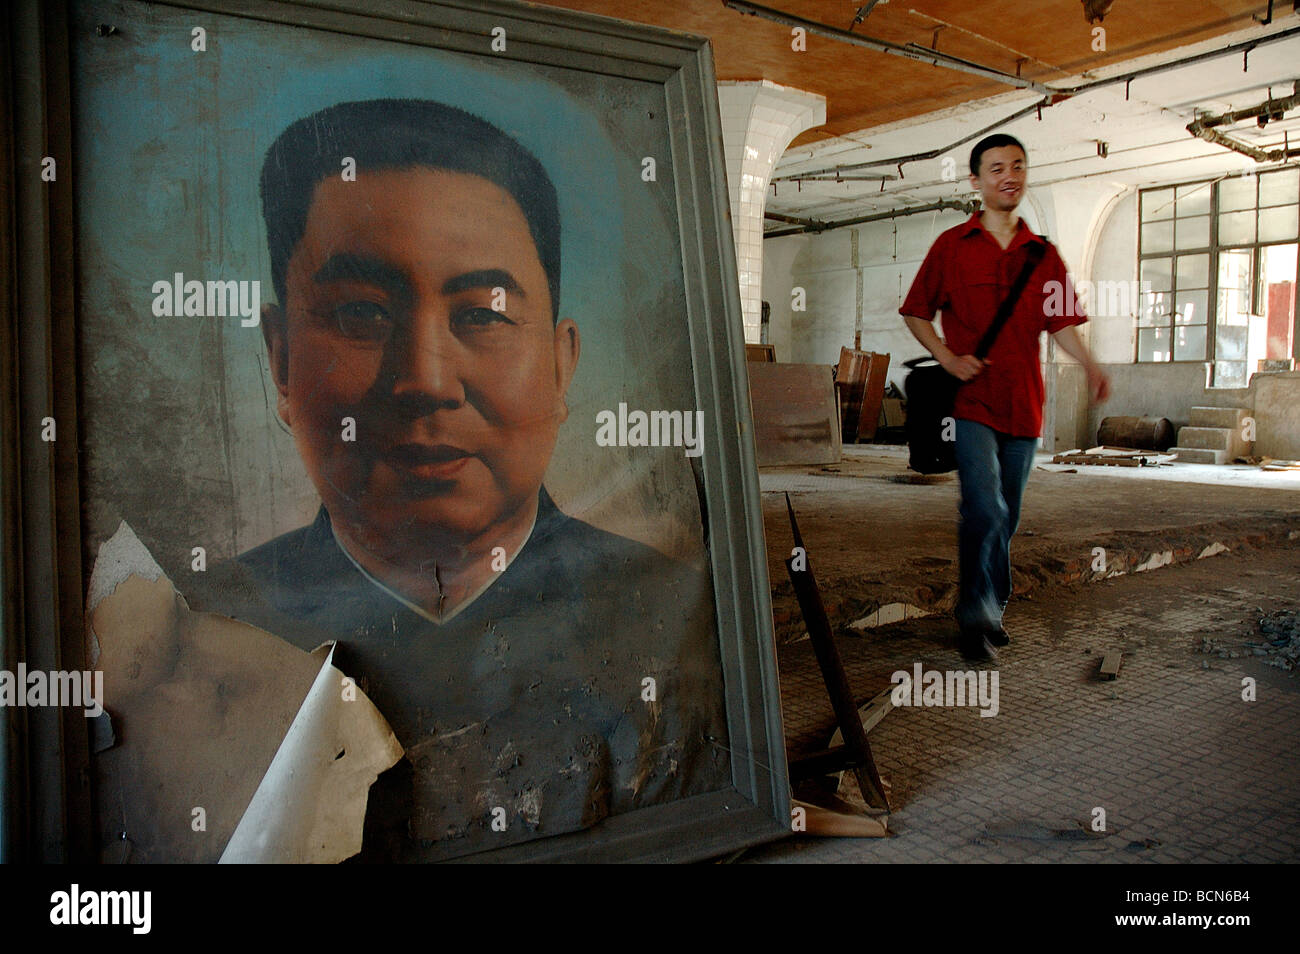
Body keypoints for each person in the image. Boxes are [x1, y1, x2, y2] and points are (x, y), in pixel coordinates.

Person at [196, 99, 729, 860]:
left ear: (559, 362)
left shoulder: (665, 610)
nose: (425, 380)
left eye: (483, 314)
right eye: (360, 313)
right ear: (281, 360)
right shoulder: (205, 636)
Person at [901, 133, 1110, 661]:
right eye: (996, 168)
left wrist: (1089, 366)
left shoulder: (1044, 256)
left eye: (1017, 166)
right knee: (984, 508)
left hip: (1025, 405)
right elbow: (915, 311)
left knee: (1007, 515)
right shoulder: (952, 246)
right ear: (976, 180)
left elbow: (1062, 324)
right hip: (971, 404)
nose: (1008, 176)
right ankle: (976, 615)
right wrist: (948, 358)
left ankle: (992, 602)